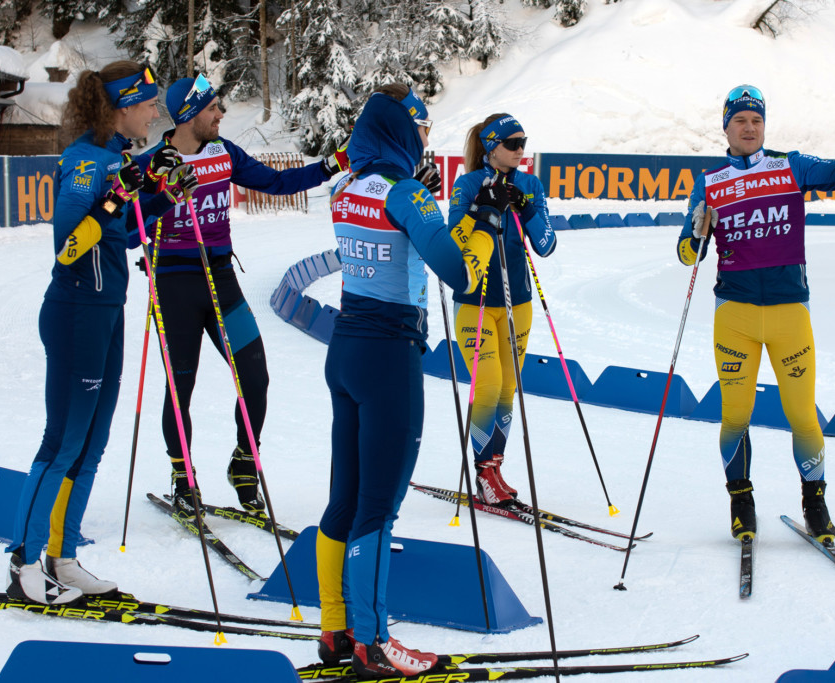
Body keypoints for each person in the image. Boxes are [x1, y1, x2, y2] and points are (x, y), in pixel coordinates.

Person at [315, 84, 503, 679]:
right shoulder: (407, 192)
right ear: (401, 130)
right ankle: (373, 642)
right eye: (422, 128)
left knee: (344, 498)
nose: (426, 138)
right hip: (388, 357)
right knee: (378, 506)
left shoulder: (347, 187)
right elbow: (458, 274)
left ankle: (335, 626)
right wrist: (478, 228)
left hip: (345, 348)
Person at [676, 84, 835, 542]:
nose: (749, 127)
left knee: (803, 416)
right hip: (735, 317)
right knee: (735, 416)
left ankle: (815, 504)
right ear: (726, 126)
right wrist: (698, 232)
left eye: (756, 120)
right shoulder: (709, 184)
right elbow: (688, 254)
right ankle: (741, 503)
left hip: (789, 315)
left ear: (764, 126)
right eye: (740, 120)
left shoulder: (790, 166)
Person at [5, 61, 181, 604]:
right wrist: (119, 193)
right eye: (149, 103)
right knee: (61, 443)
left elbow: (119, 235)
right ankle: (23, 560)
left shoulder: (112, 160)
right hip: (77, 311)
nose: (156, 112)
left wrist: (156, 195)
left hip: (106, 310)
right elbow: (69, 245)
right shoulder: (85, 162)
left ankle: (62, 556)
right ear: (122, 106)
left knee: (92, 444)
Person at [135, 75, 348, 520]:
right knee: (181, 389)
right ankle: (182, 477)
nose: (221, 115)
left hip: (220, 277)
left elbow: (278, 183)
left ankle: (243, 463)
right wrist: (154, 202)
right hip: (174, 284)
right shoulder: (154, 162)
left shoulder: (224, 153)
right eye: (214, 108)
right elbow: (130, 228)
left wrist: (333, 164)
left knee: (255, 377)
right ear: (191, 114)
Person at [447, 113, 556, 505]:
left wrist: (527, 208)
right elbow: (453, 240)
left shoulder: (530, 183)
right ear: (491, 147)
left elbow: (545, 244)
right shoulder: (468, 184)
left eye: (524, 142)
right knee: (488, 385)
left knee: (508, 389)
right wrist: (482, 210)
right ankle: (481, 473)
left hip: (517, 304)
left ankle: (493, 469)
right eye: (512, 144)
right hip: (475, 302)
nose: (520, 150)